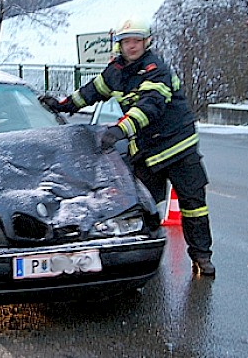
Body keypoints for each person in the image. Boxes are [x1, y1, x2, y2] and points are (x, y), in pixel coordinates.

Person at [41, 16, 215, 277]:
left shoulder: (157, 69)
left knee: (193, 204)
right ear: (119, 45)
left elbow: (149, 106)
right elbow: (92, 91)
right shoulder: (116, 71)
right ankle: (142, 261)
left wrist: (120, 130)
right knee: (140, 206)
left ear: (146, 42)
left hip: (178, 148)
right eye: (126, 41)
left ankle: (201, 256)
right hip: (147, 152)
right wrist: (64, 105)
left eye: (136, 41)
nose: (132, 46)